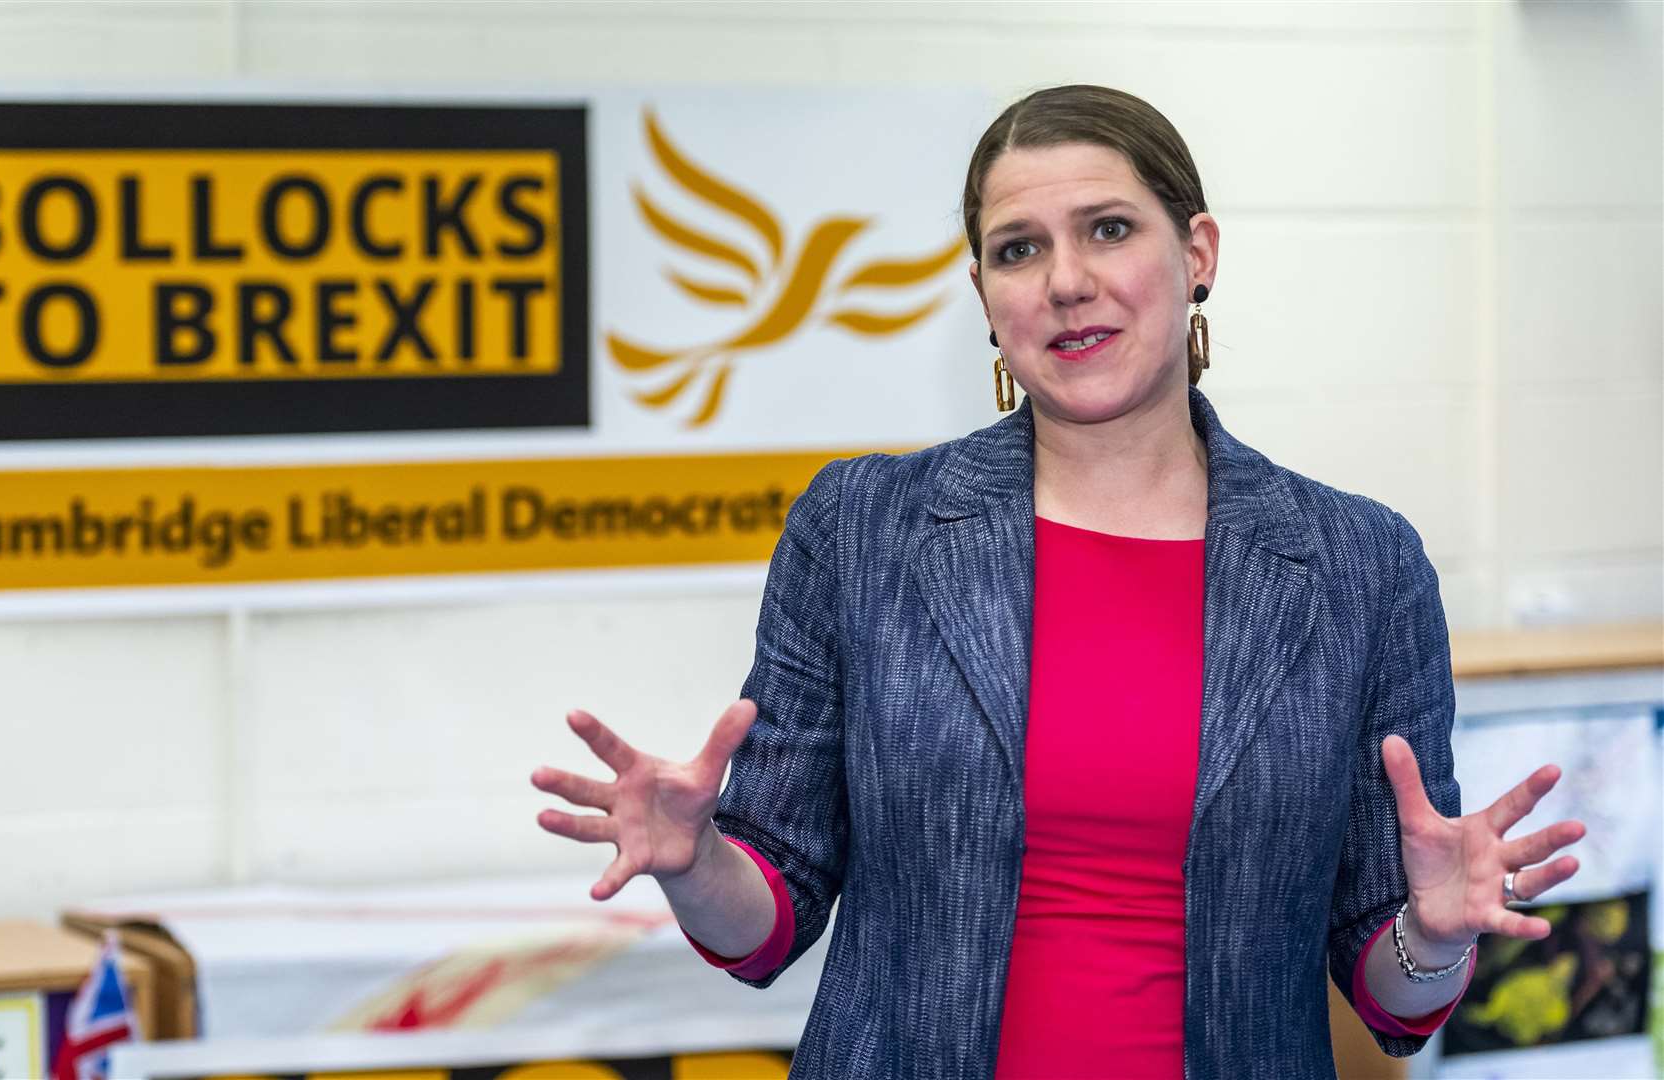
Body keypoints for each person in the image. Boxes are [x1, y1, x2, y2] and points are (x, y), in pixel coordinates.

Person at [531, 85, 1587, 1079]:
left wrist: (1431, 936)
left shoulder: (1358, 564)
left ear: (1197, 251)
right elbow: (766, 921)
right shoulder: (863, 528)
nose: (1064, 279)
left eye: (1109, 229)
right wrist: (694, 861)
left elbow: (1392, 994)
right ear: (987, 299)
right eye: (1016, 249)